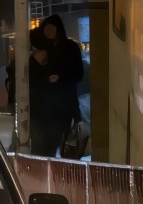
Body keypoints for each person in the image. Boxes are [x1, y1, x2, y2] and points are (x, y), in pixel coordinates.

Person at [28, 16, 84, 157]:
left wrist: (60, 78)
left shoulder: (69, 49)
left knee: (49, 148)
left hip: (58, 111)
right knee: (42, 149)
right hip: (42, 112)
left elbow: (77, 76)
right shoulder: (38, 53)